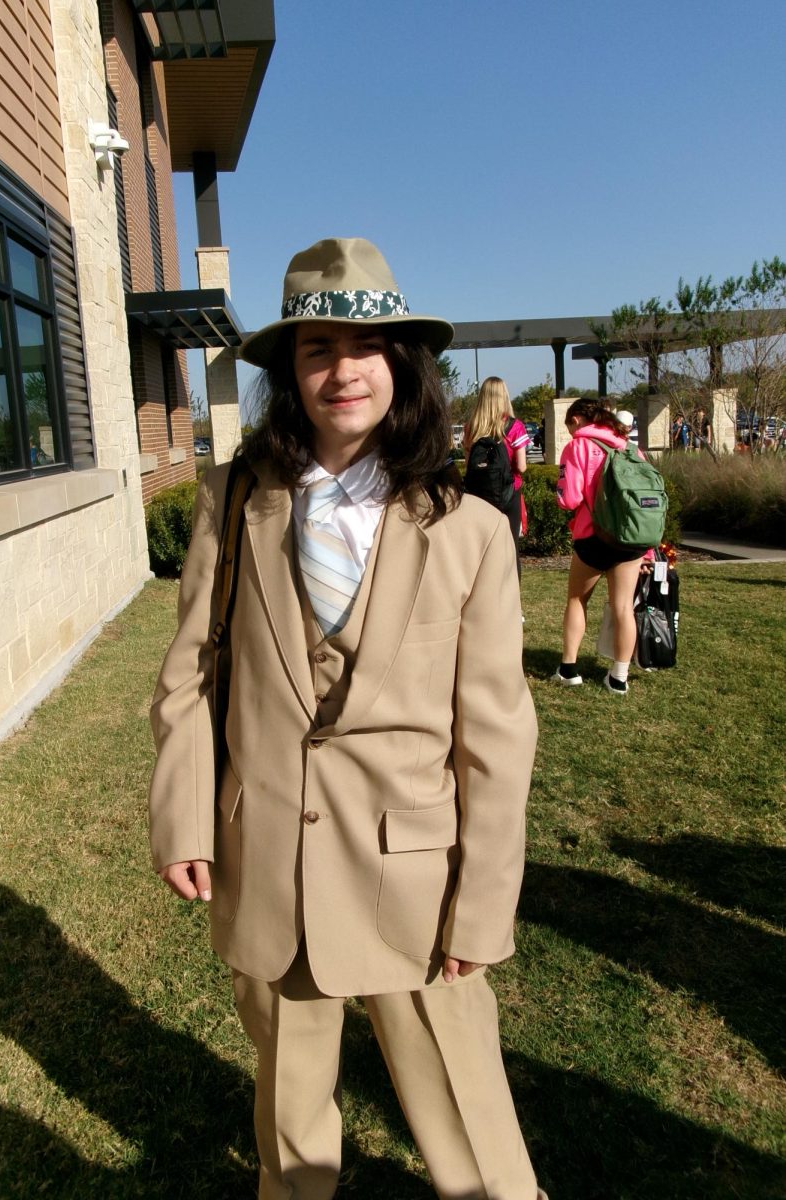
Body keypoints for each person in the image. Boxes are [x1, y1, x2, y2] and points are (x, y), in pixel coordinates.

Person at [149, 237, 547, 1200]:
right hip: (272, 868)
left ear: (402, 363)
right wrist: (183, 816)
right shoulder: (232, 502)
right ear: (291, 369)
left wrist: (483, 907)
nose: (343, 369)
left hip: (415, 882)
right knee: (292, 1136)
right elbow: (192, 675)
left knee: (472, 1130)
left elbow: (496, 737)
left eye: (366, 344)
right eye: (317, 347)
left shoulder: (470, 530)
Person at [553, 399, 654, 695]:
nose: (570, 431)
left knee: (576, 600)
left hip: (593, 535)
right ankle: (619, 678)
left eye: (570, 424)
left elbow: (568, 499)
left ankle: (569, 669)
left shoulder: (578, 447)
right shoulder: (631, 447)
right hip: (631, 538)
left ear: (579, 419)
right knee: (623, 607)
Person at [463, 376, 529, 578]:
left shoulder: (472, 427)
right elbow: (522, 466)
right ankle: (512, 603)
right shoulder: (515, 426)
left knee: (481, 549)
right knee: (511, 547)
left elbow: (469, 464)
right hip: (509, 494)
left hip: (479, 496)